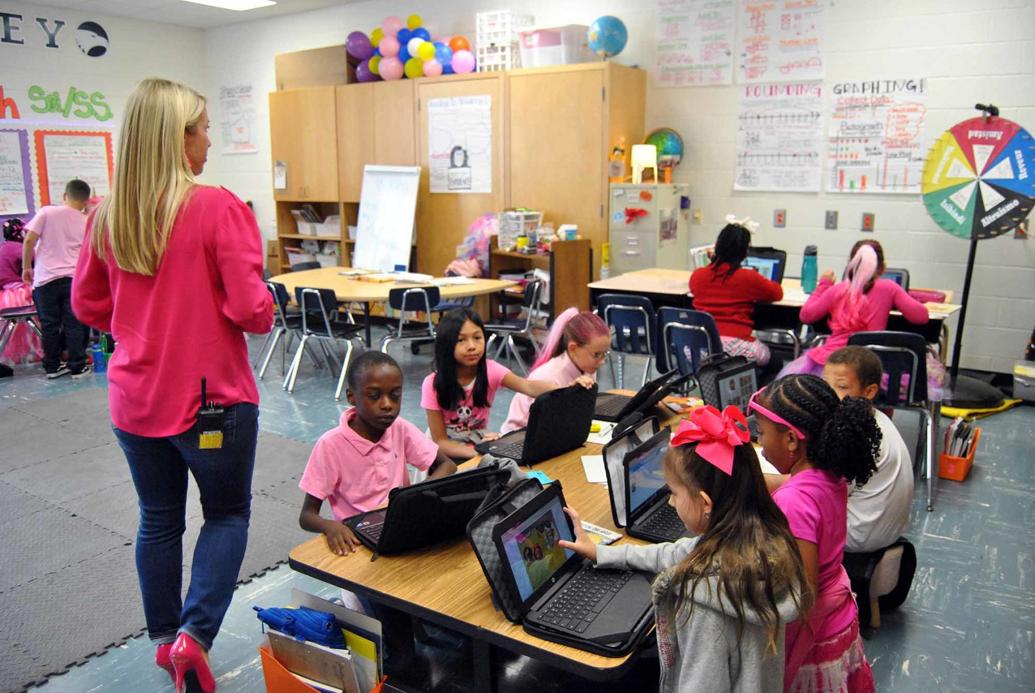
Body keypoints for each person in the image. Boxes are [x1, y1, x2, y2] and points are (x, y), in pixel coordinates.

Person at [72, 77, 273, 693]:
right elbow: (253, 312)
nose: (210, 141)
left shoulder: (108, 214)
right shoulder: (217, 208)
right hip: (212, 404)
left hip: (134, 402)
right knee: (228, 515)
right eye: (204, 129)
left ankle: (164, 640)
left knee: (158, 519)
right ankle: (196, 637)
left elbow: (86, 303)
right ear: (179, 138)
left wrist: (144, 327)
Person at [560, 405, 810, 692]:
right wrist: (601, 552)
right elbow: (678, 553)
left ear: (705, 504)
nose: (670, 503)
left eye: (674, 494)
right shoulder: (761, 542)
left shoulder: (705, 602)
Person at [750, 374, 880, 692]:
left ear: (792, 440)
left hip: (814, 636)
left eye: (762, 433)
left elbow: (801, 594)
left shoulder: (793, 502)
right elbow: (777, 486)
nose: (760, 443)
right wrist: (735, 478)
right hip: (838, 616)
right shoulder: (826, 474)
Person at [298, 350, 457, 555]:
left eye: (395, 395)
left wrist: (415, 496)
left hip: (401, 525)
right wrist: (331, 526)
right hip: (356, 539)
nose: (387, 405)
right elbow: (307, 516)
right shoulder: (330, 445)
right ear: (351, 397)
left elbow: (447, 464)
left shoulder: (399, 428)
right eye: (374, 396)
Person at [421, 307, 594, 460]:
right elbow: (440, 441)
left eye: (477, 337)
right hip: (446, 449)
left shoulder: (490, 370)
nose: (472, 346)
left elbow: (529, 387)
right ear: (446, 344)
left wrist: (568, 387)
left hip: (479, 439)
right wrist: (476, 453)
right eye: (461, 340)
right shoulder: (432, 384)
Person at [781, 240, 928, 380]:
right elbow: (921, 316)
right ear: (882, 268)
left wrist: (824, 285)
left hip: (834, 362)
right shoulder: (889, 288)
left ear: (851, 266)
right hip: (869, 364)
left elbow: (806, 316)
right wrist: (902, 298)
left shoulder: (837, 290)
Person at [823, 346, 914, 554]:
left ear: (870, 391)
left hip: (858, 537)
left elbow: (819, 491)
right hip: (886, 532)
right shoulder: (876, 419)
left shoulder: (854, 433)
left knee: (779, 506)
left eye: (841, 386)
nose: (828, 394)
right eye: (825, 383)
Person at [500, 307, 611, 433]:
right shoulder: (548, 377)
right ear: (573, 348)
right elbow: (550, 426)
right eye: (596, 355)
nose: (602, 362)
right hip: (520, 436)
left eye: (605, 354)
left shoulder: (586, 366)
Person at [22, 179, 91, 378]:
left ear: (64, 196)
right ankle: (77, 366)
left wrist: (27, 267)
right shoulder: (86, 221)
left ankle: (52, 366)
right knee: (74, 323)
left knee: (50, 324)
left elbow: (29, 240)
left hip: (45, 280)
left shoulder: (46, 212)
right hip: (73, 279)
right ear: (86, 202)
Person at [689, 219, 782, 365]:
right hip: (735, 349)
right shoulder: (748, 278)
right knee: (775, 360)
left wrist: (715, 260)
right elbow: (777, 293)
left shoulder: (697, 276)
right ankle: (754, 386)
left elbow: (712, 284)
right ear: (744, 252)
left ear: (717, 247)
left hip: (699, 347)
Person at [0, 217, 42, 366]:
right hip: (20, 294)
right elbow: (36, 260)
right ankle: (38, 350)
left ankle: (15, 354)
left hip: (4, 297)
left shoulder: (3, 247)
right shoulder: (20, 248)